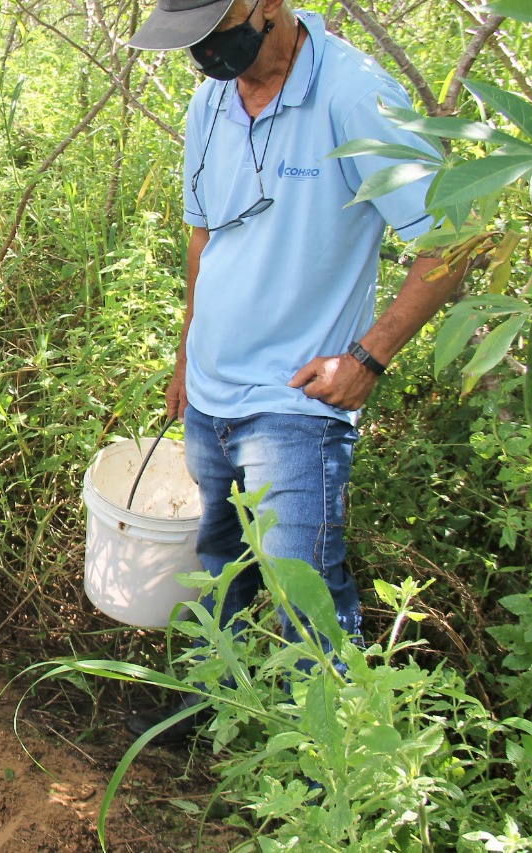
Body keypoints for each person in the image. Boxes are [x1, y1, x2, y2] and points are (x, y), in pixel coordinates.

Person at [123, 0, 465, 740]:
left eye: (216, 34)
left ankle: (331, 773)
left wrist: (368, 356)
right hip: (213, 389)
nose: (207, 55)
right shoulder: (209, 99)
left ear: (266, 7)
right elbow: (203, 230)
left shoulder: (355, 94)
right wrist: (187, 351)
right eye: (194, 43)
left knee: (303, 591)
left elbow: (453, 241)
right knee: (218, 564)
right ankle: (208, 710)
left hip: (295, 401)